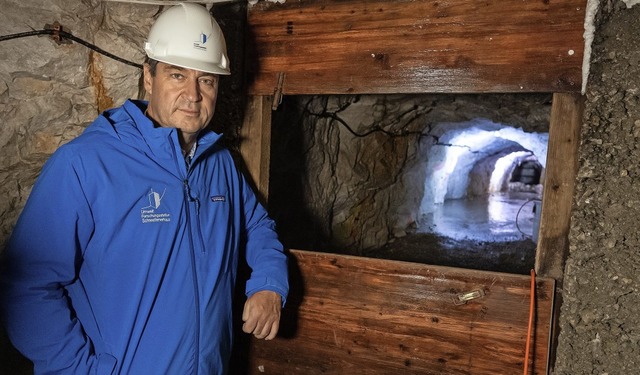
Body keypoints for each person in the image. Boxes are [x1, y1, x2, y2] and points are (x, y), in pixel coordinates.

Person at [0, 3, 289, 374]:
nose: (193, 94)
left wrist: (268, 284)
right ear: (148, 78)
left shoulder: (221, 164)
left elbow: (258, 227)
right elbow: (25, 287)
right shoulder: (86, 164)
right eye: (177, 75)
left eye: (207, 79)